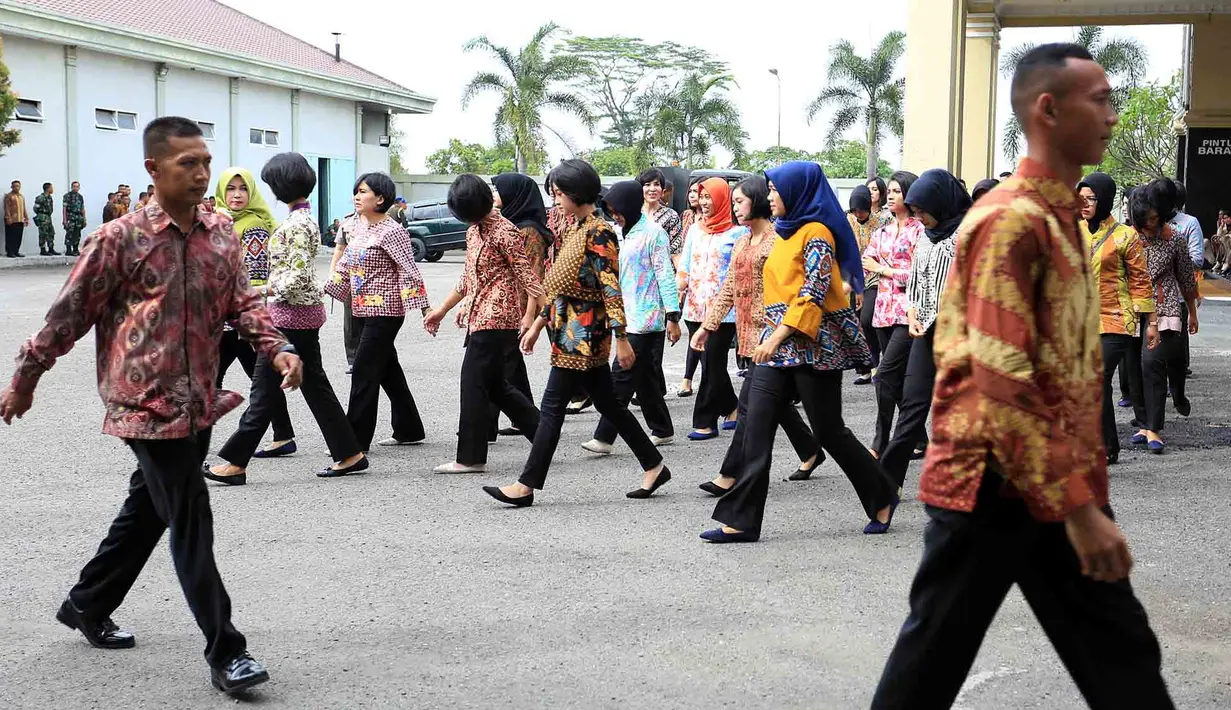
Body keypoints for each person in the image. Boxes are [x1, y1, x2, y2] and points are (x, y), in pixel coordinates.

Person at [871, 43, 1173, 709]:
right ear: (1047, 108)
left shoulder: (1062, 213)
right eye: (1099, 99)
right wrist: (1081, 509)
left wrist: (1076, 497)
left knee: (1123, 663)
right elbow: (998, 377)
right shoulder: (1011, 219)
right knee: (927, 668)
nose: (1113, 116)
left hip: (1048, 482)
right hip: (990, 488)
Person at [0, 116, 303, 695]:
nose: (202, 173)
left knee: (150, 508)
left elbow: (243, 303)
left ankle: (88, 603)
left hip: (199, 400)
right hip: (144, 402)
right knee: (190, 513)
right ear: (153, 169)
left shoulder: (220, 232)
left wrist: (279, 347)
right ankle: (227, 650)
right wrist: (26, 377)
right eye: (187, 163)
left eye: (206, 162)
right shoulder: (119, 239)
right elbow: (68, 315)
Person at [700, 161, 895, 543]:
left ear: (796, 192)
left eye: (775, 190)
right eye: (769, 190)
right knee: (755, 425)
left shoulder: (817, 232)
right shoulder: (784, 232)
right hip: (778, 345)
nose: (770, 196)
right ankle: (741, 519)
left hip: (813, 347)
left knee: (829, 431)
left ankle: (881, 494)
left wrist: (775, 337)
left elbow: (813, 292)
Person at [482, 159, 670, 507]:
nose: (555, 200)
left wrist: (623, 338)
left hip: (585, 334)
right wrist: (539, 324)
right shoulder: (576, 227)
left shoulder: (599, 231)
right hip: (569, 327)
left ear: (574, 194)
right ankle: (654, 464)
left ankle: (526, 485)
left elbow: (610, 287)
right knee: (609, 405)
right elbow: (560, 286)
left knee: (552, 406)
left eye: (558, 194)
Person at [205, 153, 368, 485]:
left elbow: (292, 278)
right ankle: (349, 452)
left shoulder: (295, 224)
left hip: (288, 317)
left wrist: (260, 292)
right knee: (314, 386)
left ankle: (235, 462)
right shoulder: (302, 220)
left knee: (263, 392)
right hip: (301, 315)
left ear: (280, 186)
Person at [694, 175, 824, 496]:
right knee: (773, 404)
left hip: (774, 336)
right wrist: (707, 325)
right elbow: (729, 288)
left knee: (751, 407)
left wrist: (780, 333)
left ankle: (729, 474)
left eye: (741, 201)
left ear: (758, 201)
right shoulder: (742, 241)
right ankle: (810, 450)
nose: (736, 207)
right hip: (749, 336)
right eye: (734, 202)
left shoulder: (777, 240)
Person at [423, 174, 543, 473]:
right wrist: (442, 310)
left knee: (473, 384)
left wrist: (533, 319)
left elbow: (530, 279)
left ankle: (471, 457)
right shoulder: (474, 231)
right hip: (479, 316)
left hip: (498, 318)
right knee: (495, 386)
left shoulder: (506, 232)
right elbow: (468, 278)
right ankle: (545, 436)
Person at [873, 169, 970, 514]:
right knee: (911, 414)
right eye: (915, 211)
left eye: (922, 210)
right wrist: (913, 312)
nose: (919, 217)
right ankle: (886, 493)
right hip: (925, 335)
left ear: (940, 203)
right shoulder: (926, 236)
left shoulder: (969, 236)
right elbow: (916, 279)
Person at [324, 172, 435, 451]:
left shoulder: (393, 231)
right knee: (388, 371)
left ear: (381, 198)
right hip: (361, 310)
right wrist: (320, 293)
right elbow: (345, 267)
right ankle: (409, 429)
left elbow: (409, 271)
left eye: (363, 192)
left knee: (364, 372)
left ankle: (352, 444)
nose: (357, 196)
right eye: (356, 191)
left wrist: (426, 310)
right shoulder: (358, 227)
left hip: (386, 312)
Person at [579, 180, 680, 455]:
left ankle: (604, 437)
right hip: (624, 313)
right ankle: (662, 429)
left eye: (617, 209)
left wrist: (673, 315)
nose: (615, 215)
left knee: (621, 377)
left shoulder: (654, 233)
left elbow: (664, 274)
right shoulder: (617, 232)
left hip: (647, 318)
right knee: (645, 377)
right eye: (610, 211)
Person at [214, 167, 297, 459]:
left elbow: (256, 275)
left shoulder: (254, 226)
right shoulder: (219, 221)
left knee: (212, 378)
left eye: (243, 189)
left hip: (241, 317)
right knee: (257, 379)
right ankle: (283, 435)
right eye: (231, 189)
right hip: (224, 317)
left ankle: (192, 441)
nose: (237, 195)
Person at [1078, 172, 1156, 465]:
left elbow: (1140, 281)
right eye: (1080, 198)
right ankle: (1107, 445)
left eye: (1090, 199)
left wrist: (1153, 323)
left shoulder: (1125, 235)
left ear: (1105, 200)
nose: (1083, 204)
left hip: (1116, 320)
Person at [1130, 184, 1198, 454]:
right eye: (1144, 220)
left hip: (1165, 304)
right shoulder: (1127, 238)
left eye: (1154, 219)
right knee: (1132, 369)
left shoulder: (1176, 239)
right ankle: (1143, 423)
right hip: (1132, 308)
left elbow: (1186, 278)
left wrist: (1192, 312)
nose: (1150, 225)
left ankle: (1154, 427)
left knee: (1153, 363)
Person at [486, 171, 555, 437]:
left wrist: (528, 316)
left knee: (496, 365)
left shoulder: (528, 230)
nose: (494, 195)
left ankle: (485, 425)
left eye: (498, 190)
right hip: (508, 303)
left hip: (518, 307)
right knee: (509, 364)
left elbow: (533, 276)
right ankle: (525, 416)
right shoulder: (511, 223)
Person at [677, 178, 745, 440]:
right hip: (694, 308)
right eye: (701, 197)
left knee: (713, 364)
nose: (704, 202)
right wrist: (677, 294)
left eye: (709, 197)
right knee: (709, 364)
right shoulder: (695, 230)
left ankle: (705, 421)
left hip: (724, 311)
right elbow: (685, 264)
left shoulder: (738, 233)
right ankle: (731, 407)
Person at [862, 170, 922, 459]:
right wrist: (882, 268)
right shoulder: (882, 231)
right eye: (891, 191)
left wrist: (884, 269)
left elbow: (918, 274)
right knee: (893, 380)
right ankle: (919, 438)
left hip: (907, 312)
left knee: (884, 376)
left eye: (897, 192)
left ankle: (880, 441)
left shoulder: (920, 231)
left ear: (910, 195)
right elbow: (866, 258)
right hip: (883, 311)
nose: (891, 196)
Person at [847, 185, 879, 385]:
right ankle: (865, 368)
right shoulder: (848, 221)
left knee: (867, 320)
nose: (858, 214)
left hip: (876, 277)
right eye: (855, 210)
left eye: (862, 209)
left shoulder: (882, 221)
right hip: (854, 278)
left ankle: (876, 364)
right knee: (857, 323)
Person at [676, 177, 704, 394]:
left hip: (707, 286)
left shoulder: (725, 223)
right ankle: (689, 379)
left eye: (701, 193)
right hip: (688, 278)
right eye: (692, 191)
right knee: (694, 331)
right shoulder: (687, 217)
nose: (695, 196)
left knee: (703, 339)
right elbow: (680, 247)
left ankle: (691, 379)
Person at [327, 213, 361, 370]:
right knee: (351, 321)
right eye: (356, 195)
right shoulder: (347, 223)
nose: (358, 199)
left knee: (376, 323)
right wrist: (332, 275)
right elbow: (339, 249)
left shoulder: (383, 221)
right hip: (351, 279)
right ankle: (353, 359)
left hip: (375, 281)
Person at [640, 168, 683, 257]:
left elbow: (676, 252)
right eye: (647, 185)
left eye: (656, 184)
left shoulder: (671, 216)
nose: (652, 189)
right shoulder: (633, 214)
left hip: (663, 268)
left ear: (662, 190)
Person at [5, 179, 29, 257]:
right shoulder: (9, 196)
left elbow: (23, 208)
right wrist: (8, 218)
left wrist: (26, 218)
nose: (16, 187)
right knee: (10, 236)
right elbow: (7, 208)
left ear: (20, 187)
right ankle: (10, 252)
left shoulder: (21, 196)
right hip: (12, 220)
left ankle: (16, 251)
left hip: (20, 220)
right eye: (14, 186)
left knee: (18, 237)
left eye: (18, 186)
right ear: (11, 187)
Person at [34, 182, 59, 255]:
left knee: (51, 233)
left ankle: (51, 249)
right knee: (43, 234)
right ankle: (43, 250)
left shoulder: (49, 197)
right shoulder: (41, 197)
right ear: (48, 189)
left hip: (48, 217)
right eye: (51, 188)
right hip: (42, 217)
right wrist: (40, 216)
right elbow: (35, 208)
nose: (52, 189)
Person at [62, 181, 86, 256]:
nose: (75, 188)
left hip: (78, 217)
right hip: (70, 217)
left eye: (77, 186)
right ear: (71, 187)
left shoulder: (80, 197)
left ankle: (75, 249)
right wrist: (64, 219)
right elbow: (64, 208)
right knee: (69, 233)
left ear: (79, 188)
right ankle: (68, 250)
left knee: (77, 234)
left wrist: (84, 219)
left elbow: (82, 208)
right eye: (74, 186)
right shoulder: (67, 196)